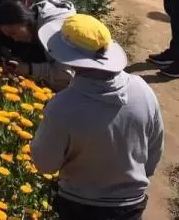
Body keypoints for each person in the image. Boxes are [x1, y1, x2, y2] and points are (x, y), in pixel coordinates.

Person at [32, 14, 164, 220]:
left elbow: (45, 164)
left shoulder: (63, 105)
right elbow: (154, 149)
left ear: (69, 58)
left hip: (80, 205)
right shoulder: (142, 89)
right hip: (131, 204)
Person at [0, 0, 76, 90]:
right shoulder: (35, 18)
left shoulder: (55, 34)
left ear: (24, 21)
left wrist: (29, 69)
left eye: (13, 33)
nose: (15, 39)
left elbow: (65, 76)